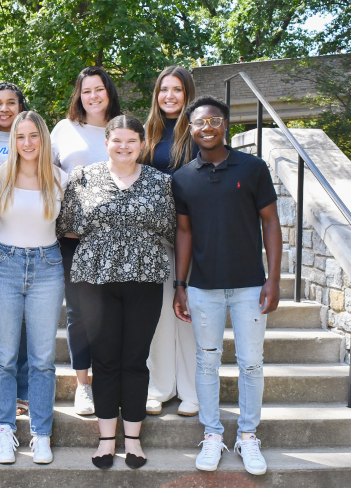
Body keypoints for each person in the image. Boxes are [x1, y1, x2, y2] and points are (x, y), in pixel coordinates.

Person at [57, 115, 176, 469]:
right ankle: (107, 439)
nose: (124, 147)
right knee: (105, 360)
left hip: (145, 278)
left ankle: (135, 440)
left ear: (142, 144)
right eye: (117, 141)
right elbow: (67, 226)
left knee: (134, 360)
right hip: (95, 282)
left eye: (131, 141)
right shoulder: (82, 178)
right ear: (106, 142)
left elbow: (170, 227)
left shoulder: (161, 182)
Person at [172, 95, 282, 476]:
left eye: (213, 120)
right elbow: (183, 232)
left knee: (251, 364)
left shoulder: (253, 168)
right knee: (207, 361)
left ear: (225, 124)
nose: (206, 127)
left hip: (250, 285)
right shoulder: (182, 178)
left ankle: (248, 436)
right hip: (203, 288)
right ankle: (213, 434)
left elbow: (270, 222)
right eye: (199, 122)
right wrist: (180, 284)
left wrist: (273, 279)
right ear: (190, 129)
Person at [0, 111, 68, 465]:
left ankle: (41, 433)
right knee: (3, 358)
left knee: (42, 359)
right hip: (4, 264)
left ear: (43, 139)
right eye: (21, 137)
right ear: (14, 141)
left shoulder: (60, 178)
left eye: (34, 136)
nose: (28, 143)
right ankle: (4, 430)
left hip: (48, 267)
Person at [50, 66, 122, 415]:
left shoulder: (122, 128)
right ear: (78, 95)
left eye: (99, 89)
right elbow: (44, 175)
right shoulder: (64, 129)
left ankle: (113, 379)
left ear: (109, 92)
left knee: (114, 312)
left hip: (117, 239)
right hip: (73, 238)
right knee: (80, 313)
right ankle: (83, 384)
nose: (93, 97)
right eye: (86, 91)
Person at [142, 66, 200, 417]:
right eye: (164, 89)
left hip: (190, 234)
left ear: (187, 93)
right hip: (154, 236)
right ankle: (161, 386)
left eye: (177, 89)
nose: (169, 96)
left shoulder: (195, 133)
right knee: (160, 315)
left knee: (188, 312)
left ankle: (192, 390)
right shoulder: (146, 132)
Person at [0, 81, 32, 416]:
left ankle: (24, 390)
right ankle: (4, 386)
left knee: (26, 320)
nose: (4, 109)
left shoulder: (31, 139)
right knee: (3, 317)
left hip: (29, 239)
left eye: (11, 103)